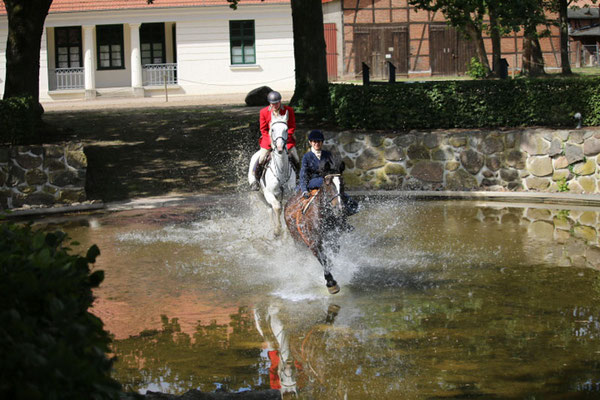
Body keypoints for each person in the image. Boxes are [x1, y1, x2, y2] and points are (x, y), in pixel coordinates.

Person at [299, 129, 359, 216]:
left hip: (329, 180)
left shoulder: (328, 154)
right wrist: (304, 190)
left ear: (322, 142)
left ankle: (348, 209)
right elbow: (303, 174)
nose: (317, 143)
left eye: (319, 141)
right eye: (314, 141)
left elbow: (334, 168)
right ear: (310, 142)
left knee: (338, 189)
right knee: (326, 183)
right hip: (314, 181)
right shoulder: (306, 157)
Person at [249, 90, 299, 191]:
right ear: (270, 103)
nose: (275, 105)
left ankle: (298, 178)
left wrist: (282, 138)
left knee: (296, 158)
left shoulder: (288, 110)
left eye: (277, 103)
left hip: (286, 139)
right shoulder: (263, 112)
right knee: (261, 158)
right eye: (273, 103)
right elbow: (263, 129)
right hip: (269, 140)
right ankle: (255, 179)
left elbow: (292, 127)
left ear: (280, 101)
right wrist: (272, 141)